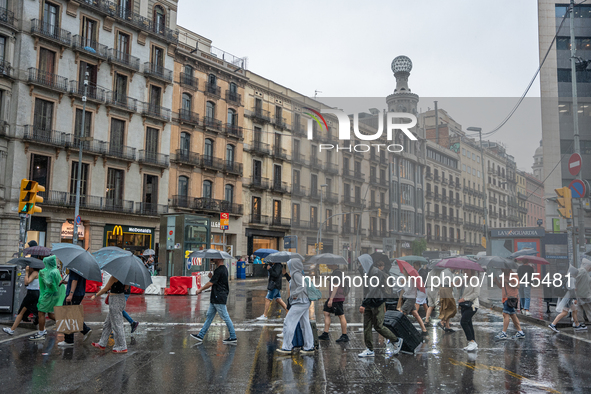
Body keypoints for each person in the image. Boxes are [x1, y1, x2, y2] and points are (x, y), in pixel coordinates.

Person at [358, 254, 403, 358]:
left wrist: (364, 304)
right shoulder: (366, 272)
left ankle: (396, 340)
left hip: (377, 302)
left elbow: (372, 289)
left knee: (379, 326)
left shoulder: (375, 272)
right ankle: (369, 349)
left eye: (360, 262)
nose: (359, 265)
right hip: (369, 302)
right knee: (367, 326)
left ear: (365, 262)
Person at [190, 258, 237, 345]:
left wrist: (200, 289)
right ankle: (201, 335)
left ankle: (233, 336)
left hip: (218, 297)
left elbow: (210, 283)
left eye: (214, 258)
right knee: (209, 316)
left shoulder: (219, 270)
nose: (213, 259)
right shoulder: (223, 269)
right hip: (216, 297)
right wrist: (212, 277)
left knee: (225, 317)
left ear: (219, 259)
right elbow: (219, 282)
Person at [276, 258, 314, 354]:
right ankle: (309, 347)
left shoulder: (296, 274)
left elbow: (302, 286)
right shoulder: (297, 274)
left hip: (300, 302)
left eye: (289, 265)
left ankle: (287, 347)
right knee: (305, 324)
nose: (288, 266)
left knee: (288, 322)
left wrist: (294, 294)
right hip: (303, 301)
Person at [29, 256, 66, 341]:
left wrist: (43, 277)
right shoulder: (55, 271)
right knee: (50, 314)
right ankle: (65, 323)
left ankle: (41, 332)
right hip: (53, 296)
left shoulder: (52, 272)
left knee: (41, 312)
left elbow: (51, 285)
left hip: (49, 296)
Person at [90, 275, 128, 353]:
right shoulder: (126, 277)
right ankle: (102, 343)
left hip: (115, 300)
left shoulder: (114, 277)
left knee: (117, 325)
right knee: (108, 324)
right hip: (121, 298)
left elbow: (105, 289)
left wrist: (95, 295)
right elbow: (126, 288)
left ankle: (122, 346)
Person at [57, 269, 92, 347]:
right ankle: (85, 330)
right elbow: (75, 280)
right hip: (79, 293)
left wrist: (70, 294)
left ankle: (69, 340)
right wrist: (66, 282)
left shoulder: (75, 267)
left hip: (74, 294)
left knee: (66, 315)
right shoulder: (81, 268)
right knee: (72, 314)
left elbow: (75, 281)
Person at [3, 266, 40, 335]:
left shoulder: (35, 273)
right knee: (34, 312)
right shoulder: (36, 273)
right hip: (34, 293)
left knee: (21, 312)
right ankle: (42, 330)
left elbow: (26, 282)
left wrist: (26, 272)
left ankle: (12, 330)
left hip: (31, 294)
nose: (28, 267)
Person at [318, 264, 349, 343]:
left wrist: (331, 299)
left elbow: (336, 286)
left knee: (341, 315)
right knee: (326, 312)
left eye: (329, 263)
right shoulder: (336, 272)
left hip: (336, 297)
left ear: (334, 264)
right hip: (336, 297)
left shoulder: (337, 273)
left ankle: (344, 335)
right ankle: (325, 333)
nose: (327, 264)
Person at [494, 269, 525, 340]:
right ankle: (520, 332)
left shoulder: (513, 275)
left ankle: (504, 333)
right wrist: (496, 281)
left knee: (505, 314)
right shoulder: (503, 275)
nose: (501, 269)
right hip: (505, 298)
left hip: (511, 297)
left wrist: (507, 282)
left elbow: (517, 286)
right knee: (512, 315)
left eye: (502, 268)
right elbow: (501, 286)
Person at [397, 269, 428, 335]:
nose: (403, 272)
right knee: (415, 314)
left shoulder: (411, 280)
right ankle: (424, 330)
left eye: (404, 270)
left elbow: (408, 290)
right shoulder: (407, 279)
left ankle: (400, 329)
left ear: (407, 272)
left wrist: (403, 284)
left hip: (410, 299)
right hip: (408, 298)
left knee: (401, 314)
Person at [458, 270, 481, 351]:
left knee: (463, 322)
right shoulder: (464, 280)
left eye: (467, 270)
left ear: (472, 271)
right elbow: (460, 292)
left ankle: (471, 341)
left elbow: (476, 293)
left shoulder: (475, 280)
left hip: (472, 305)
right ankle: (473, 342)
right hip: (464, 305)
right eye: (464, 270)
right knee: (469, 323)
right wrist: (459, 284)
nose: (465, 272)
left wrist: (465, 299)